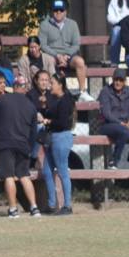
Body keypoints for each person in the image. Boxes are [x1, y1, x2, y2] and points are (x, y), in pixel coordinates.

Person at [0, 75, 42, 218]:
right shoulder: (31, 106)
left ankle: (13, 209)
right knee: (24, 176)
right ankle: (34, 208)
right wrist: (29, 147)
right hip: (23, 145)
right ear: (26, 88)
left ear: (13, 87)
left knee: (8, 176)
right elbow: (34, 132)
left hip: (5, 144)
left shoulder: (1, 100)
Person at [38, 0, 93, 102]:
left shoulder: (72, 24)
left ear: (65, 12)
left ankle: (82, 92)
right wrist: (57, 56)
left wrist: (67, 55)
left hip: (69, 56)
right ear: (52, 11)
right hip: (52, 55)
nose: (58, 12)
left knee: (80, 62)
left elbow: (76, 44)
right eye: (56, 10)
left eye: (61, 10)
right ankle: (50, 91)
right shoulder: (44, 25)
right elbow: (43, 45)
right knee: (48, 61)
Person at [41, 73, 75, 215]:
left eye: (52, 83)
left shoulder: (66, 100)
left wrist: (48, 121)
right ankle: (52, 204)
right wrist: (44, 109)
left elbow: (62, 122)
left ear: (60, 85)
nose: (50, 85)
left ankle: (67, 205)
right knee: (47, 171)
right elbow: (50, 114)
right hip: (53, 137)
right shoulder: (55, 99)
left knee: (62, 172)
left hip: (61, 137)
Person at [98, 68, 129, 170]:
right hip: (108, 124)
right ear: (112, 79)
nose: (117, 82)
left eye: (120, 80)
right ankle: (114, 160)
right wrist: (120, 123)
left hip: (126, 122)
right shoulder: (105, 91)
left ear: (124, 81)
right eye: (116, 80)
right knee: (125, 132)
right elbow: (106, 113)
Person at [108, 0, 129, 65]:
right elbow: (110, 16)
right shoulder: (114, 0)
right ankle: (114, 63)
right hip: (119, 25)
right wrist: (121, 22)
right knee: (116, 31)